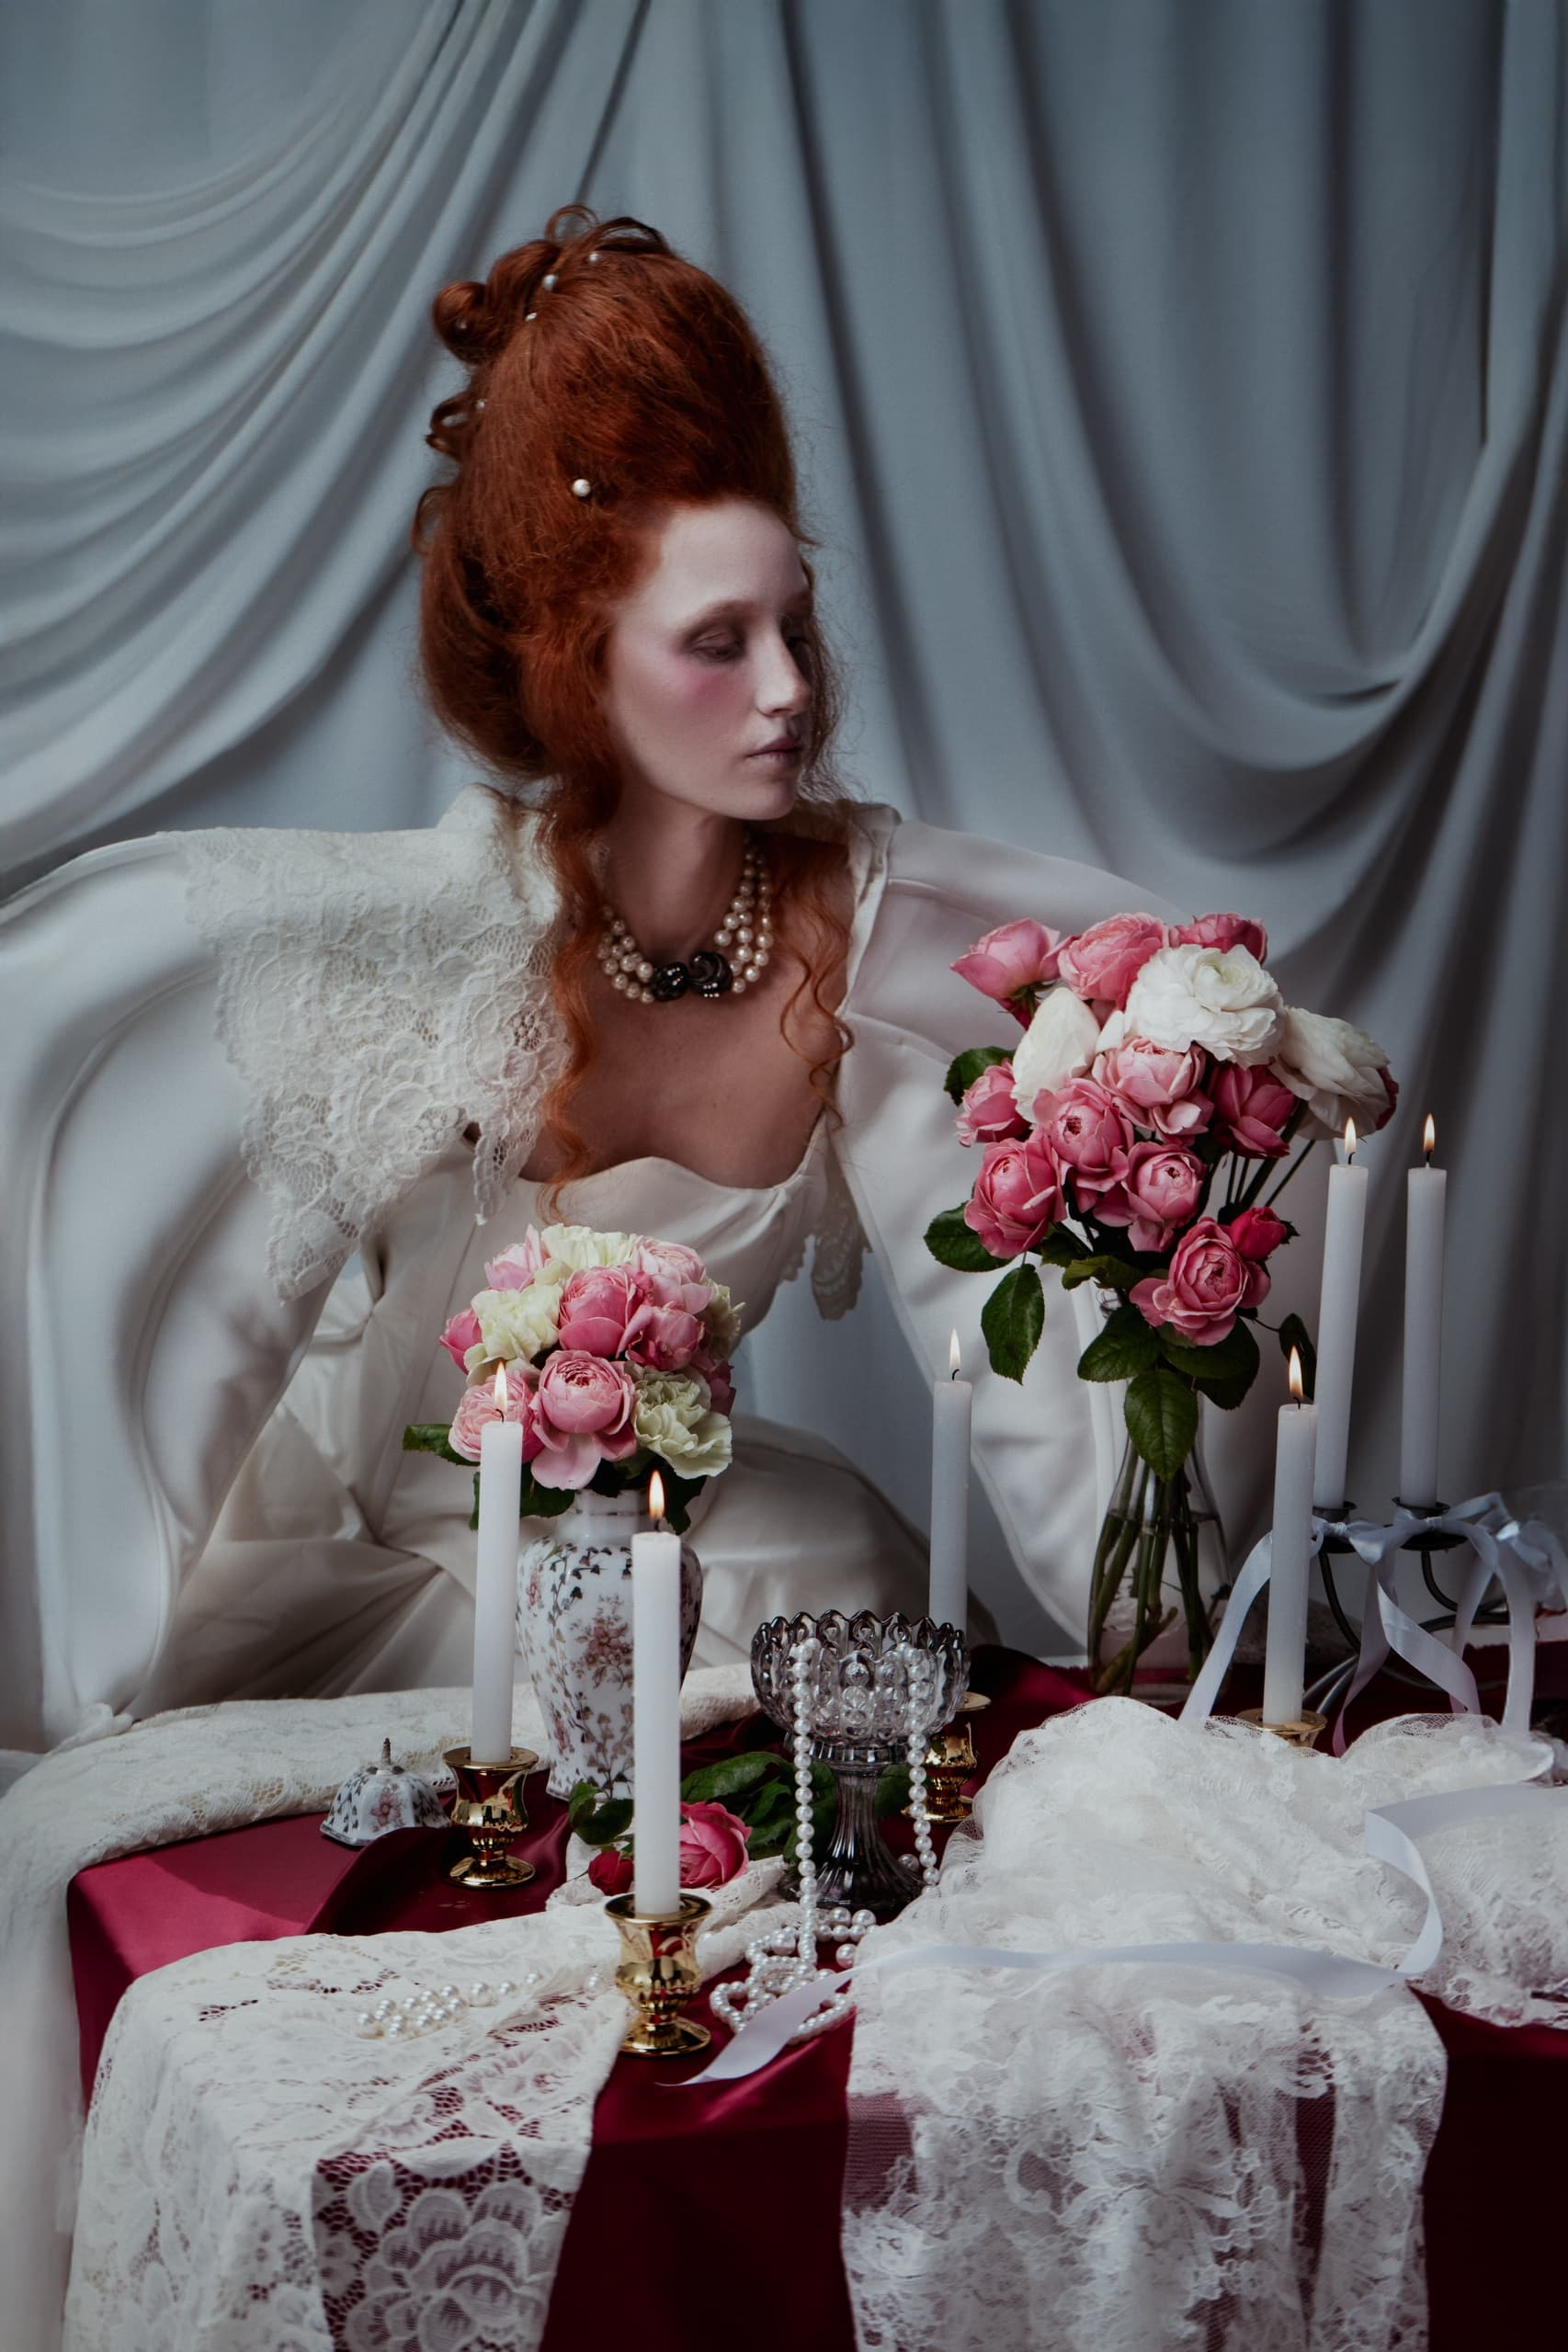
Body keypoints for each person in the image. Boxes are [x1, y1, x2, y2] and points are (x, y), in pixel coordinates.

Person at [0, 206, 1164, 1762]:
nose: (788, 691)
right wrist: (88, 1659)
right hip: (408, 1572)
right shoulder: (425, 948)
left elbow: (1090, 1084)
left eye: (795, 626)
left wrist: (1152, 1632)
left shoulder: (854, 933)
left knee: (845, 1597)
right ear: (581, 667)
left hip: (713, 1546)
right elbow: (194, 1298)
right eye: (717, 641)